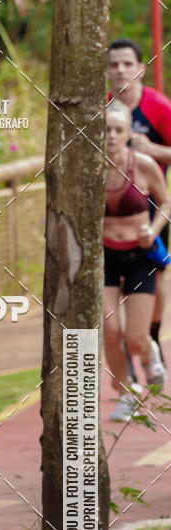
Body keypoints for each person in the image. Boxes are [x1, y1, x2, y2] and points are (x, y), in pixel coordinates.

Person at [103, 101, 171, 422]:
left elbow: (167, 202)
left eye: (119, 130)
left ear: (129, 132)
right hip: (104, 257)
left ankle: (148, 351)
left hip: (139, 258)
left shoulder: (143, 165)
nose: (112, 136)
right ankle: (126, 392)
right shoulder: (90, 170)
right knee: (109, 330)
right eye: (106, 130)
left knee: (133, 335)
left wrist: (153, 228)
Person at [108, 38, 171, 366]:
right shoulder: (103, 107)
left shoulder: (158, 107)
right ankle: (128, 370)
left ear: (140, 69)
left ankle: (152, 339)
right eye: (114, 64)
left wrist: (152, 150)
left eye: (127, 64)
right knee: (111, 300)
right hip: (109, 211)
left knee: (155, 286)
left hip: (148, 206)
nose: (120, 70)